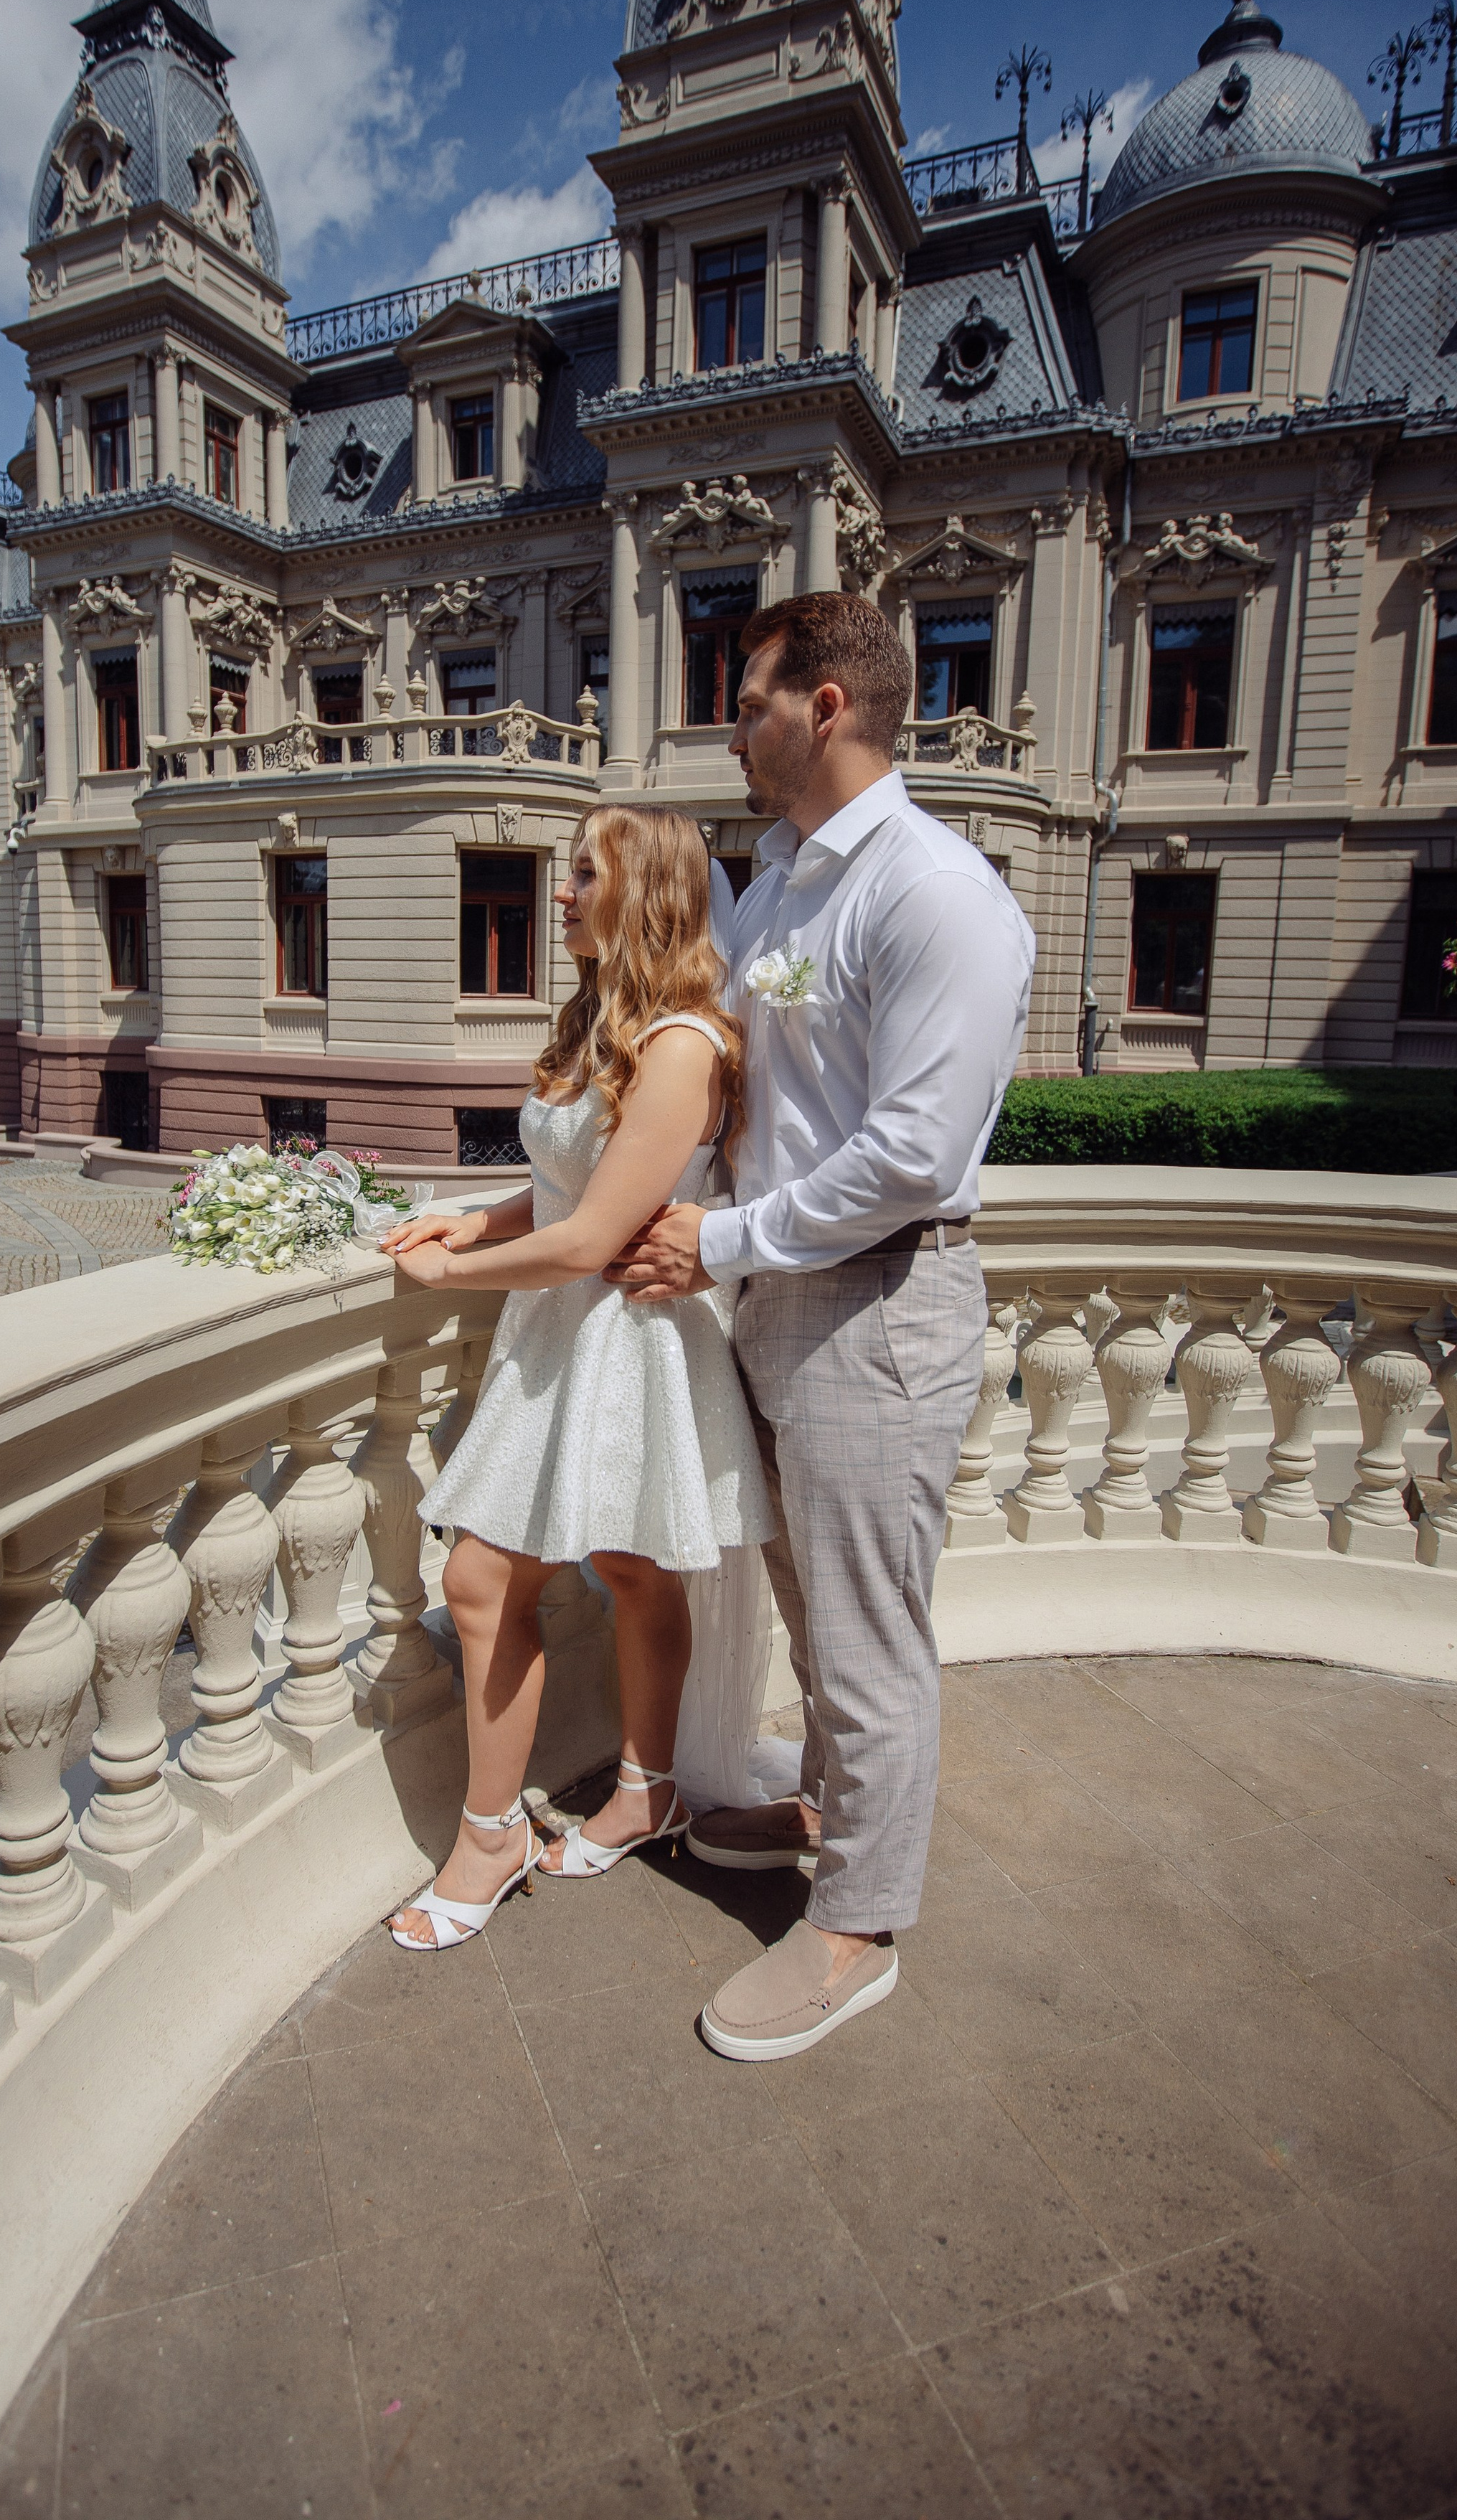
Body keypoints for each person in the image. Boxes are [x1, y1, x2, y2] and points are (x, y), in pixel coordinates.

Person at [611, 590, 1035, 2063]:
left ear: (826, 706)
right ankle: (840, 1815)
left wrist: (715, 1238)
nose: (730, 730)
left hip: (880, 1303)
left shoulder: (935, 893)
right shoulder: (779, 875)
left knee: (866, 1638)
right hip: (775, 1298)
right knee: (807, 1599)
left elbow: (913, 1152)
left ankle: (856, 1923)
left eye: (746, 702)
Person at [379, 804, 771, 1951]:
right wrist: (468, 1215)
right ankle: (582, 1806)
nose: (559, 894)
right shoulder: (603, 1016)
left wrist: (456, 1279)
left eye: (581, 874)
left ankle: (555, 1816)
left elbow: (595, 1236)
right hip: (563, 1336)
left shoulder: (687, 1043)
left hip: (627, 1340)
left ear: (640, 892)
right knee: (590, 1573)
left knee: (545, 1577)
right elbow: (561, 1185)